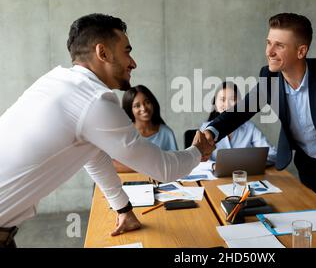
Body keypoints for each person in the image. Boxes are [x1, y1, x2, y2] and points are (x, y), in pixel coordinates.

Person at [0, 13, 214, 248]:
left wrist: (123, 208)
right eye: (127, 51)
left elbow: (92, 155)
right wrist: (197, 150)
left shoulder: (56, 81)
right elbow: (163, 168)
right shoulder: (94, 99)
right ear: (103, 53)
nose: (133, 63)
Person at [203, 13, 316, 218]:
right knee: (314, 221)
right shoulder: (270, 75)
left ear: (301, 51)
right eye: (269, 43)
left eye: (279, 45)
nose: (269, 51)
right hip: (308, 164)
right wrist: (211, 130)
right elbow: (242, 110)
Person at [200, 81, 277, 163]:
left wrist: (249, 162)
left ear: (240, 103)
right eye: (223, 99)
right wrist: (213, 166)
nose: (227, 105)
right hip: (216, 176)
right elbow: (199, 161)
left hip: (245, 174)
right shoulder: (206, 129)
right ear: (215, 103)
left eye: (232, 99)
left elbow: (273, 155)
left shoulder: (250, 128)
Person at [113, 85, 178, 173]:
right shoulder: (123, 133)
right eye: (137, 106)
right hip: (128, 185)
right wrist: (150, 166)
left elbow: (174, 164)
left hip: (158, 185)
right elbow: (112, 165)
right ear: (129, 109)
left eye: (147, 102)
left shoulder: (166, 133)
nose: (143, 108)